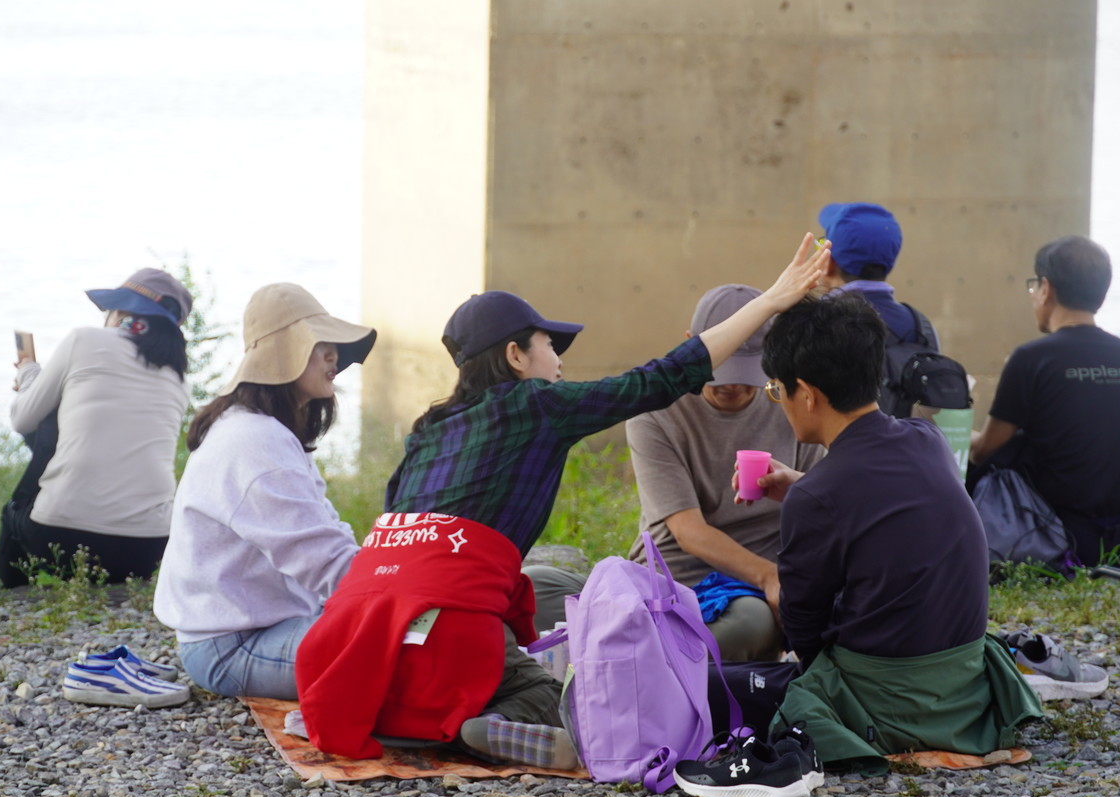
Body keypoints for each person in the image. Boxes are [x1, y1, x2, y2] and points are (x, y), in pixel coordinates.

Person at [295, 234, 834, 768]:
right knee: (573, 702)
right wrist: (771, 300)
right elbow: (660, 378)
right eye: (550, 345)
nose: (558, 360)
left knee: (530, 587)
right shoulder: (538, 405)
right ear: (515, 355)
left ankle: (394, 711)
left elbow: (402, 522)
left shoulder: (429, 428)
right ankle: (482, 725)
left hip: (355, 630)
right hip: (451, 633)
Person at [747, 294, 1040, 774]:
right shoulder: (928, 440)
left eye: (778, 390)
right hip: (967, 686)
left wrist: (823, 681)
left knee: (733, 686)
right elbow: (886, 504)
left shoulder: (819, 495)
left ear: (808, 394)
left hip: (886, 699)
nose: (780, 403)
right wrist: (802, 487)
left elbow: (803, 626)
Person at [153, 283, 376, 698]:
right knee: (402, 646)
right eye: (319, 343)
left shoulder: (265, 430)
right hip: (233, 644)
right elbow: (323, 563)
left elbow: (329, 541)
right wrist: (402, 598)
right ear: (283, 355)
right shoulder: (254, 440)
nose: (332, 355)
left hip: (269, 624)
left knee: (416, 634)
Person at [626, 284, 824, 662]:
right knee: (543, 584)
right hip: (681, 578)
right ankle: (654, 662)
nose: (731, 384)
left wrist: (796, 579)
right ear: (691, 345)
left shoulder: (791, 403)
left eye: (745, 372)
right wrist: (769, 577)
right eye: (719, 368)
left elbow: (823, 502)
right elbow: (687, 531)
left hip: (767, 580)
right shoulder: (656, 412)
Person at [0, 268, 192, 590]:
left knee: (12, 515)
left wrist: (29, 373)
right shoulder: (180, 378)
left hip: (61, 539)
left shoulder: (84, 340)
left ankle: (13, 605)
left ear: (121, 312)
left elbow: (23, 419)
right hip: (150, 548)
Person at [970, 236, 1120, 566]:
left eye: (1034, 286)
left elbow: (984, 451)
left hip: (1058, 539)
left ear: (1046, 288)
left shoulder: (1032, 358)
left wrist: (950, 432)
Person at [816, 202, 946, 419]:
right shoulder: (921, 327)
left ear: (829, 262)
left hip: (842, 441)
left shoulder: (815, 322)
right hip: (907, 440)